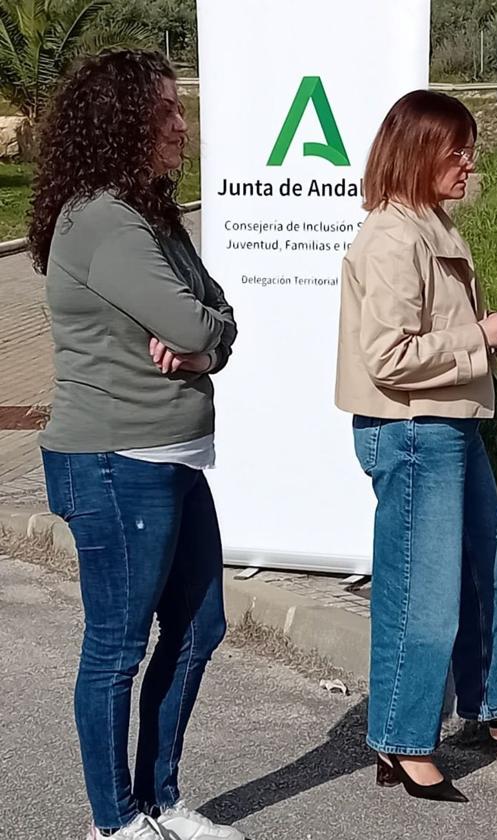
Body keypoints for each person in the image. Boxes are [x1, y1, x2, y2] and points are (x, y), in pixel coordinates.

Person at [29, 51, 241, 840]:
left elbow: (215, 317)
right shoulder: (103, 222)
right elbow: (194, 323)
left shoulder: (149, 213)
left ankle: (159, 800)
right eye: (166, 110)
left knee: (201, 626)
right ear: (122, 121)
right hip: (117, 463)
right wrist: (205, 334)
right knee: (117, 647)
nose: (181, 123)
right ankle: (114, 824)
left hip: (173, 459)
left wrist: (209, 342)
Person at [335, 89, 497, 803]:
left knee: (488, 570)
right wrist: (480, 338)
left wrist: (476, 347)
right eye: (456, 150)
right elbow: (388, 355)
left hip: (443, 424)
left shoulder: (423, 223)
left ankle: (494, 706)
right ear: (417, 153)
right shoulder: (392, 237)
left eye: (471, 149)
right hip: (411, 431)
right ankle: (402, 742)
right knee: (422, 595)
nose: (470, 163)